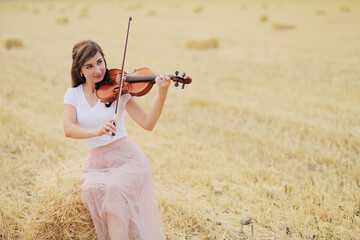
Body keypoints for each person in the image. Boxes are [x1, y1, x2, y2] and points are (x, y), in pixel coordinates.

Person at [63, 39, 168, 240]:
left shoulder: (120, 88)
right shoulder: (73, 95)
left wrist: (161, 95)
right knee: (92, 188)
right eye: (90, 66)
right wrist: (96, 131)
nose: (98, 69)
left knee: (112, 189)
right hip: (97, 163)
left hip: (127, 158)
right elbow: (68, 129)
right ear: (80, 71)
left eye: (100, 62)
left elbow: (148, 123)